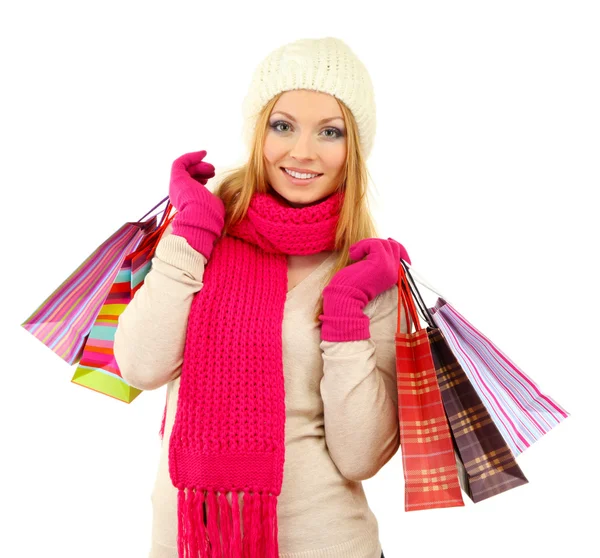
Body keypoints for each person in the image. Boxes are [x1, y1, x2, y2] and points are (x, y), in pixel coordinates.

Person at [114, 36, 409, 558]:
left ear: (353, 150)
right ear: (258, 132)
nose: (302, 151)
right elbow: (139, 366)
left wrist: (344, 311)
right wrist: (191, 233)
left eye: (330, 132)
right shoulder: (200, 241)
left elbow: (360, 456)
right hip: (186, 544)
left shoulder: (367, 273)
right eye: (283, 125)